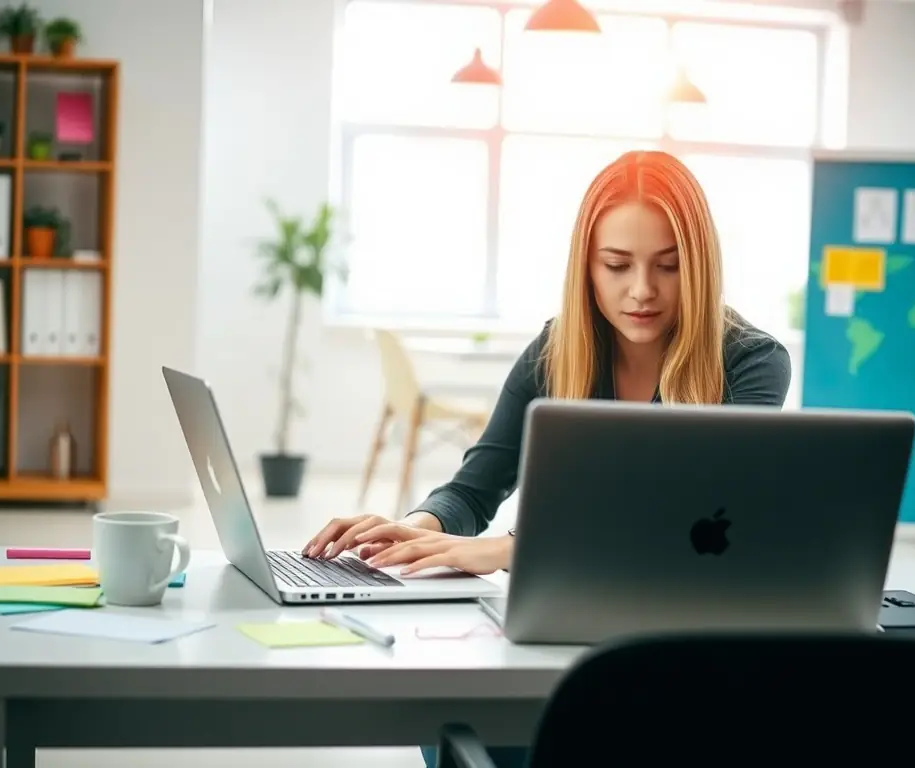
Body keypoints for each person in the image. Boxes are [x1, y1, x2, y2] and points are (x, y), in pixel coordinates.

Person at [303, 150, 791, 768]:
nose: (641, 290)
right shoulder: (555, 349)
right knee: (452, 716)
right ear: (585, 266)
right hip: (566, 626)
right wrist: (417, 528)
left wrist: (515, 548)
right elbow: (473, 491)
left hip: (686, 633)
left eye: (668, 266)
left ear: (699, 265)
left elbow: (686, 526)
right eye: (617, 265)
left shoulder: (751, 362)